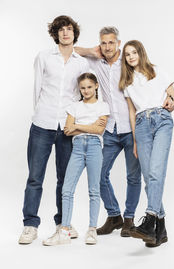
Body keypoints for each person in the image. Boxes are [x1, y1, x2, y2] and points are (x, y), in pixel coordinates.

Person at [18, 15, 89, 244]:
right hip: (42, 123)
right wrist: (38, 115)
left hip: (67, 128)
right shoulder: (44, 57)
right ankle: (30, 225)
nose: (65, 33)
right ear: (55, 33)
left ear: (74, 33)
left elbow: (81, 95)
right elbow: (37, 88)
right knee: (35, 177)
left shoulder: (81, 63)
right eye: (61, 29)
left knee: (64, 179)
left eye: (69, 29)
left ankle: (63, 223)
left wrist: (75, 123)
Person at [75, 27, 141, 237]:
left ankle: (129, 219)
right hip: (110, 129)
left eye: (111, 42)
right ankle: (114, 216)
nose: (107, 47)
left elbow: (150, 74)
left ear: (118, 43)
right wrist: (91, 51)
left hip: (131, 128)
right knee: (99, 174)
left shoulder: (129, 60)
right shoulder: (97, 62)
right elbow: (70, 50)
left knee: (133, 176)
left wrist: (169, 96)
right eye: (103, 43)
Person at [119, 40, 174, 247]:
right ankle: (160, 231)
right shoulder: (127, 82)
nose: (131, 57)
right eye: (127, 54)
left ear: (141, 53)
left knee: (155, 172)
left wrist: (171, 102)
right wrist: (135, 140)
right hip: (142, 125)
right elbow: (131, 113)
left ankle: (149, 219)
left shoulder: (156, 71)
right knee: (148, 177)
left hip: (161, 120)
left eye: (134, 52)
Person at [43, 73, 110, 246]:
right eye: (82, 88)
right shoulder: (74, 107)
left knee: (94, 190)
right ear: (79, 89)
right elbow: (67, 130)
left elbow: (98, 130)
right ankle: (64, 231)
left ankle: (92, 230)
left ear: (96, 86)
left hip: (95, 146)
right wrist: (88, 127)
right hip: (78, 148)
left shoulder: (103, 106)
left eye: (89, 87)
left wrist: (78, 125)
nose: (86, 91)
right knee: (67, 189)